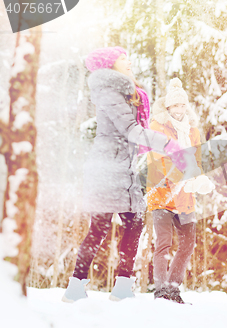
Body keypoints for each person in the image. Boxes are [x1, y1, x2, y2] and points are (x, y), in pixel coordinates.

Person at [62, 47, 187, 303]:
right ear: (110, 65)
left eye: (128, 57)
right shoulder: (108, 91)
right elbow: (131, 130)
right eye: (122, 58)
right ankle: (82, 286)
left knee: (132, 222)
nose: (128, 61)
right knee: (101, 227)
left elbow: (136, 137)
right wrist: (167, 144)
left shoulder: (127, 92)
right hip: (106, 168)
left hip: (121, 168)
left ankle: (118, 287)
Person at [146, 78, 213, 304]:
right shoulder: (157, 127)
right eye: (175, 106)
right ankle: (160, 290)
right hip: (162, 195)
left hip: (185, 199)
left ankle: (173, 289)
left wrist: (200, 179)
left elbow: (197, 159)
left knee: (187, 243)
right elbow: (160, 160)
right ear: (168, 107)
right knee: (163, 243)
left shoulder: (192, 131)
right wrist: (182, 178)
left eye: (183, 105)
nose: (179, 110)